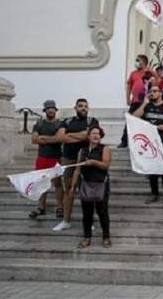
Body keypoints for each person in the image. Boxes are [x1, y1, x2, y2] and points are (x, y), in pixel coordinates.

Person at [53, 98, 99, 232]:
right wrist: (80, 135)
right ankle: (66, 221)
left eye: (85, 106)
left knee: (87, 193)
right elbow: (61, 137)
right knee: (69, 190)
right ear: (75, 108)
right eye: (80, 106)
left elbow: (89, 136)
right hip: (69, 160)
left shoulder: (92, 121)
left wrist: (70, 135)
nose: (83, 108)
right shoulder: (66, 121)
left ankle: (89, 221)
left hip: (86, 160)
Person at [133, 84, 163, 206]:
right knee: (152, 168)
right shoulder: (147, 106)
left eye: (155, 91)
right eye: (150, 91)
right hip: (149, 142)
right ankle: (154, 193)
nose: (152, 93)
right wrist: (144, 103)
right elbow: (134, 117)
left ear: (160, 93)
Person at [73, 126, 112, 248]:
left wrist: (93, 162)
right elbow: (77, 169)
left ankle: (106, 237)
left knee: (102, 212)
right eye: (93, 133)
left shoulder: (105, 148)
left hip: (101, 184)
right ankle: (87, 237)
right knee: (87, 213)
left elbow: (106, 165)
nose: (96, 135)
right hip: (86, 184)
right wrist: (72, 186)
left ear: (101, 136)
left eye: (98, 134)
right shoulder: (82, 151)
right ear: (88, 136)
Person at [29, 100, 64, 220]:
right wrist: (51, 139)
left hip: (55, 157)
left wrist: (42, 137)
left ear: (55, 110)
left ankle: (60, 207)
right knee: (41, 184)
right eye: (48, 108)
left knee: (58, 184)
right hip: (42, 157)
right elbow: (34, 139)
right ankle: (41, 207)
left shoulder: (60, 123)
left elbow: (59, 139)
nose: (50, 110)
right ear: (45, 110)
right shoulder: (39, 123)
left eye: (52, 108)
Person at [119, 54, 155, 148]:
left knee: (148, 121)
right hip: (135, 101)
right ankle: (124, 141)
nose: (136, 62)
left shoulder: (150, 72)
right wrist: (128, 98)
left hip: (147, 101)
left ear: (143, 62)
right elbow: (129, 86)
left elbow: (156, 84)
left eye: (138, 60)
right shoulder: (133, 73)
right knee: (130, 120)